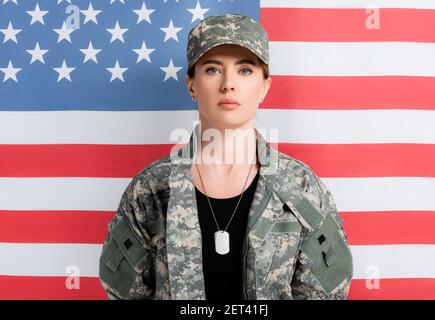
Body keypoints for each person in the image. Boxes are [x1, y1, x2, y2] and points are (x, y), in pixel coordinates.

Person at [98, 13, 353, 300]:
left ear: (265, 87)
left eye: (245, 70)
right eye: (212, 70)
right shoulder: (151, 189)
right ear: (192, 85)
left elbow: (327, 291)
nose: (228, 84)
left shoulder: (300, 186)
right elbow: (124, 293)